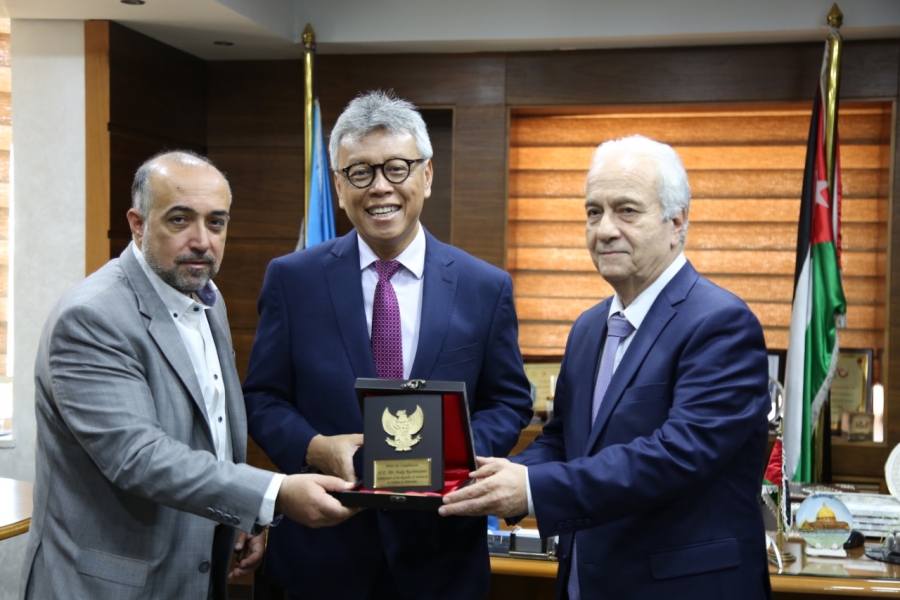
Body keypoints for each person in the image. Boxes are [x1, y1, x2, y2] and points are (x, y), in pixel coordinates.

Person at [439, 135, 773, 599]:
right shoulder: (589, 327)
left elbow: (676, 455)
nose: (605, 230)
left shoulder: (722, 324)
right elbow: (564, 440)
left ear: (677, 222)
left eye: (627, 211)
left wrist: (532, 488)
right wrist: (491, 478)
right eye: (593, 212)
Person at [20, 151, 357, 600]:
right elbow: (138, 457)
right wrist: (271, 494)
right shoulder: (92, 317)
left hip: (193, 575)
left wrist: (243, 515)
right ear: (138, 224)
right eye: (180, 220)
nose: (202, 241)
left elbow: (211, 435)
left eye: (216, 223)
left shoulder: (204, 298)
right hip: (105, 586)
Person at [242, 90, 534, 599]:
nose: (380, 187)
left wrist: (451, 456)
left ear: (427, 175)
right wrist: (314, 447)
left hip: (441, 560)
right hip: (322, 556)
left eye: (397, 168)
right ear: (338, 187)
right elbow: (263, 398)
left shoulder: (484, 286)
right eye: (360, 172)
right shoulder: (292, 280)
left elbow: (509, 401)